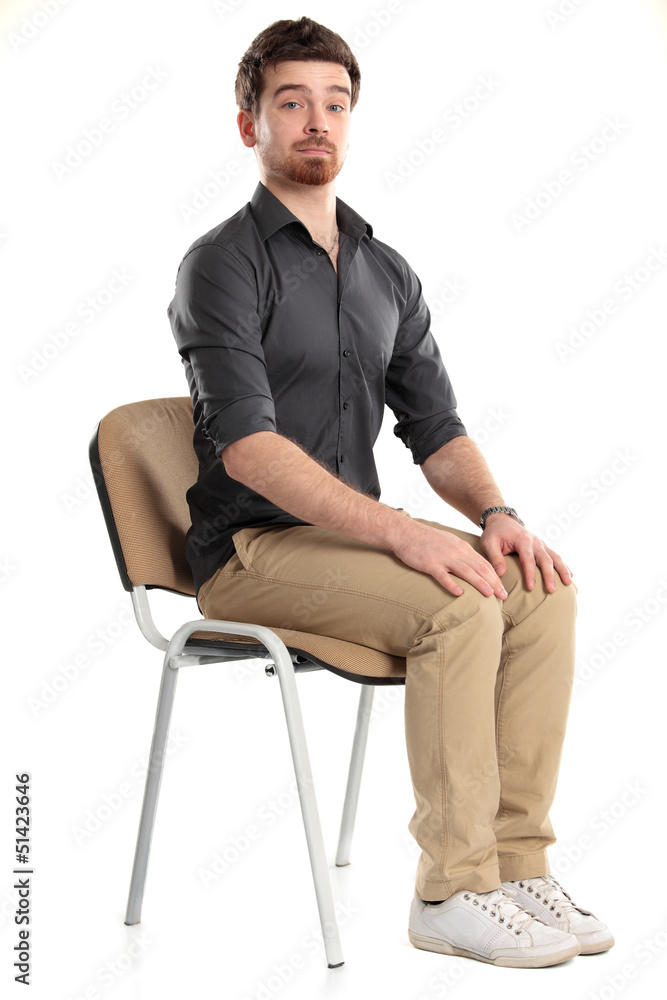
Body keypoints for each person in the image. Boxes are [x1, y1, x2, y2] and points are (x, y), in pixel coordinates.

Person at [168, 16, 613, 969]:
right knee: (458, 608)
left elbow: (436, 431)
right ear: (249, 126)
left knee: (541, 592)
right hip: (249, 553)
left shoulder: (383, 270)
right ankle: (450, 890)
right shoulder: (220, 264)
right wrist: (404, 538)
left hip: (348, 544)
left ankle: (511, 857)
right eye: (290, 103)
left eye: (333, 104)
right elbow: (247, 449)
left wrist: (497, 517)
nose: (314, 122)